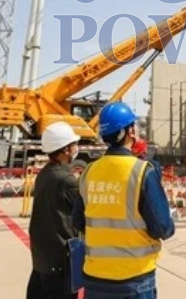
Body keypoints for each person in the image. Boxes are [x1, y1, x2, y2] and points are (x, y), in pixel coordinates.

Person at [73, 102, 175, 299]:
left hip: (94, 278)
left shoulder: (88, 172)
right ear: (130, 132)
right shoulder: (142, 171)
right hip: (134, 278)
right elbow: (162, 228)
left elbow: (78, 222)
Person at [28, 121, 82, 299]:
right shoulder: (66, 181)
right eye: (73, 145)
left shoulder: (45, 173)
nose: (76, 149)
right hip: (60, 261)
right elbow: (84, 213)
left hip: (42, 259)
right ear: (66, 150)